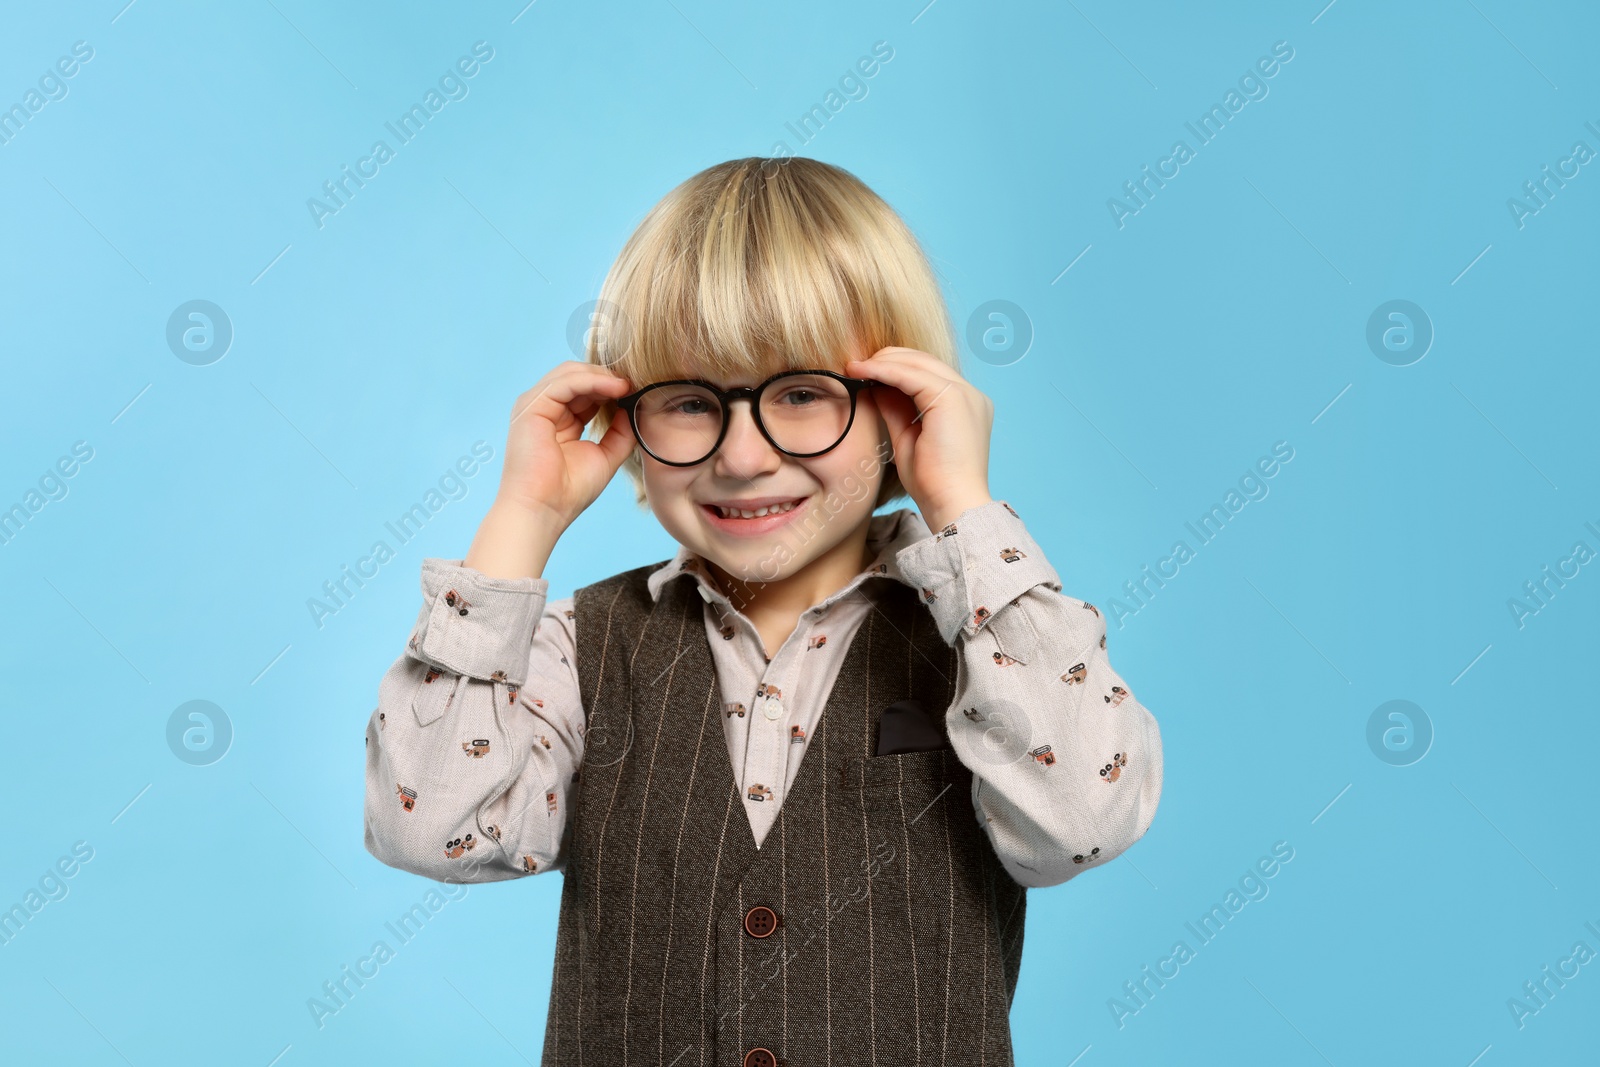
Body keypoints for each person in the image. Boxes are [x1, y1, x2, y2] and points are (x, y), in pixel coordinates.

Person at [363, 156, 1163, 1066]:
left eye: (801, 394)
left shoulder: (988, 640)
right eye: (691, 403)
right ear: (629, 416)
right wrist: (523, 519)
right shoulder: (578, 647)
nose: (743, 457)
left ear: (899, 405)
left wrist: (966, 514)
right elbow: (430, 827)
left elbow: (1080, 821)